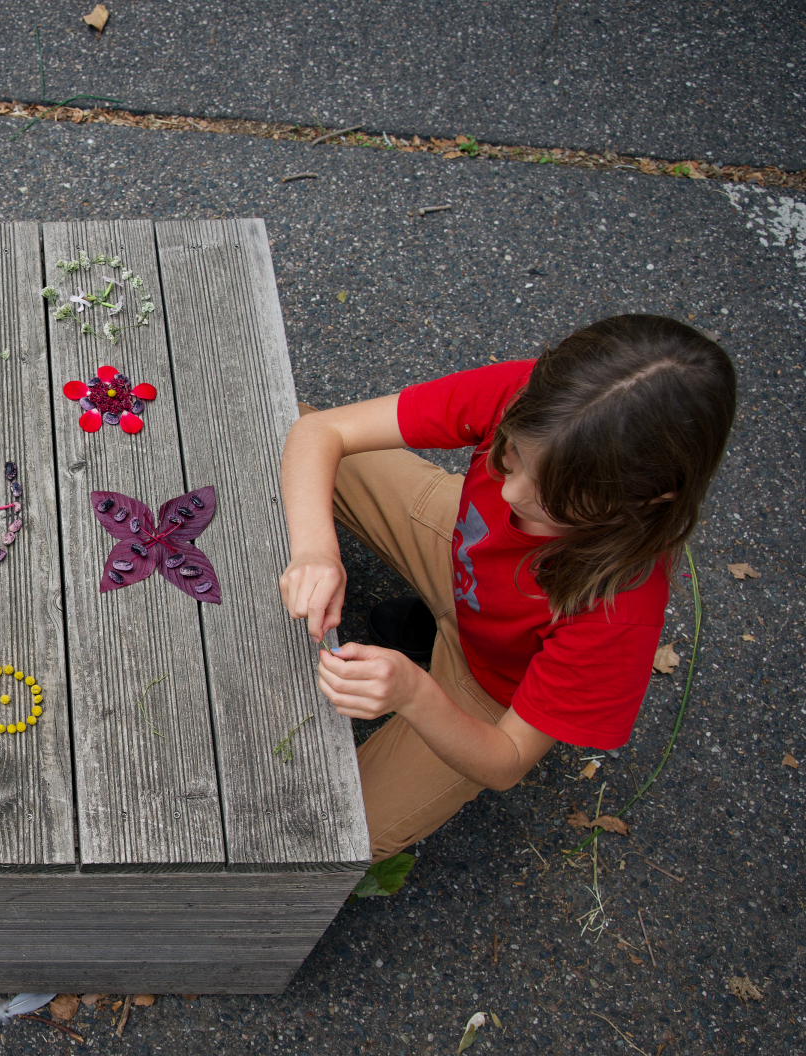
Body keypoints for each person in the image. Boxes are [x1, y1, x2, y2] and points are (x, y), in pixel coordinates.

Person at [278, 314, 736, 862]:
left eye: (551, 501)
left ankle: (437, 648)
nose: (511, 494)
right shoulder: (546, 402)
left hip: (489, 688)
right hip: (457, 548)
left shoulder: (619, 609)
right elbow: (320, 431)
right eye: (510, 456)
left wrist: (415, 695)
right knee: (283, 425)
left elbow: (508, 760)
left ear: (649, 499)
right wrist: (315, 549)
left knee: (323, 841)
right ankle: (439, 620)